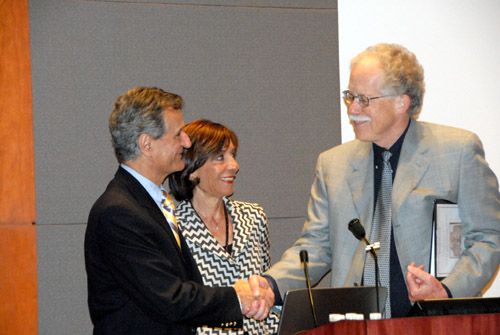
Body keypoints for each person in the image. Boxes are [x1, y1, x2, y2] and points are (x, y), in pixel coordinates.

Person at [261, 43, 500, 318]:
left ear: (401, 102)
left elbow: (488, 237)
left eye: (364, 99)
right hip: (356, 325)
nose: (352, 109)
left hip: (436, 323)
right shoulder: (333, 164)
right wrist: (270, 286)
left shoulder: (457, 151)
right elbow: (316, 245)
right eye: (350, 96)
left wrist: (446, 293)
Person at [84, 87, 273, 335]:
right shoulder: (119, 212)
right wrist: (238, 297)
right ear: (147, 145)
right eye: (177, 135)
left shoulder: (148, 202)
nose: (186, 142)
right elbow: (169, 298)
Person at [168, 119, 279, 335]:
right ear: (193, 170)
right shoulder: (173, 227)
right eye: (220, 157)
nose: (234, 165)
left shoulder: (254, 216)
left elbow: (266, 291)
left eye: (233, 155)